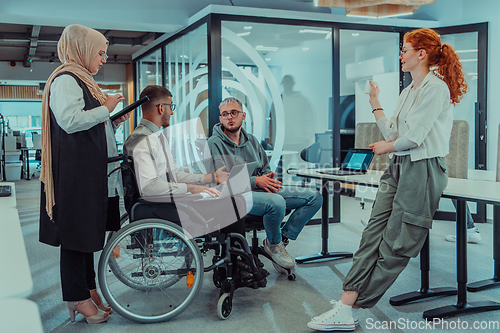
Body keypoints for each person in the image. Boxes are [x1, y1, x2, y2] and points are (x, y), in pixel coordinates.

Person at [307, 28, 468, 331]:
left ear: (421, 54)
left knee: (397, 243)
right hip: (399, 165)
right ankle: (347, 300)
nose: (401, 54)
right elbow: (394, 134)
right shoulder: (409, 91)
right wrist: (375, 100)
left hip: (422, 168)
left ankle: (350, 304)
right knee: (372, 235)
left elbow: (415, 138)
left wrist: (388, 147)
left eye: (404, 49)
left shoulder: (436, 88)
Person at [39, 24, 129, 324]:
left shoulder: (83, 80)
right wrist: (106, 109)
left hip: (88, 172)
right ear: (82, 50)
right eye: (100, 52)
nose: (104, 58)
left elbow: (87, 130)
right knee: (76, 235)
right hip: (75, 175)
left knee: (87, 234)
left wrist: (111, 121)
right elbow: (69, 121)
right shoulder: (67, 79)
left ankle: (87, 288)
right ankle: (77, 297)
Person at [205, 97, 322, 271]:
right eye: (225, 114)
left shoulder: (251, 140)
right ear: (220, 118)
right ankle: (275, 245)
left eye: (234, 113)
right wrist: (255, 181)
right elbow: (219, 181)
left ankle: (279, 239)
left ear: (243, 115)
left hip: (259, 190)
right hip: (233, 196)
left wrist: (268, 180)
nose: (230, 117)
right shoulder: (214, 143)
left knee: (314, 197)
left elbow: (264, 168)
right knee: (276, 202)